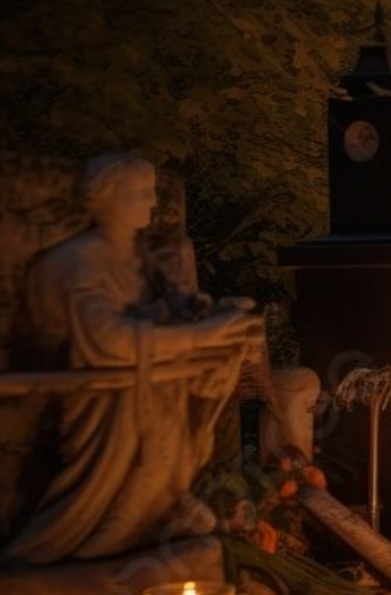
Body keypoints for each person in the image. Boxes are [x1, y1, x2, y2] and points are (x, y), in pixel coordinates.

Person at [6, 155, 259, 563]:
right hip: (98, 390)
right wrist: (200, 335)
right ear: (103, 198)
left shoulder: (137, 256)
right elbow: (108, 340)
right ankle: (109, 532)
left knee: (212, 361)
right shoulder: (78, 261)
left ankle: (166, 501)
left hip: (147, 378)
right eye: (139, 193)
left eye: (152, 192)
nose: (151, 202)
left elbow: (172, 306)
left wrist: (216, 314)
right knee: (151, 413)